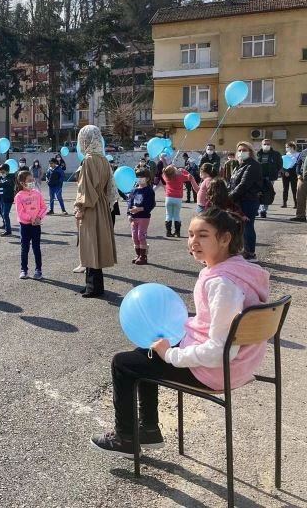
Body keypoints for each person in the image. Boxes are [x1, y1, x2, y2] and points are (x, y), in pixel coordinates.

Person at [90, 208, 270, 457]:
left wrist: (171, 356)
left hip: (216, 371)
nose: (193, 242)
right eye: (190, 234)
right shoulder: (239, 270)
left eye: (203, 235)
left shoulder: (223, 284)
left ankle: (125, 438)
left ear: (225, 238)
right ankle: (148, 429)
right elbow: (220, 326)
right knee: (145, 353)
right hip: (235, 365)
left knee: (123, 364)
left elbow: (220, 351)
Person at [73, 125, 117, 298]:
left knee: (90, 244)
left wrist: (80, 207)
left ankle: (93, 287)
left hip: (91, 208)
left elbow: (86, 188)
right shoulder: (103, 159)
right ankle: (93, 285)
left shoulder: (89, 159)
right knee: (96, 245)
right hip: (101, 205)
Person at [228, 141, 262, 262]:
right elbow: (232, 183)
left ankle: (251, 253)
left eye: (244, 150)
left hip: (248, 200)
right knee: (240, 227)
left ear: (250, 152)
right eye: (240, 150)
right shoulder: (240, 165)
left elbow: (243, 185)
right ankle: (243, 250)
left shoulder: (253, 165)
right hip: (239, 200)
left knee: (247, 226)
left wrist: (228, 198)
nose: (241, 152)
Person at [15, 170, 47, 279]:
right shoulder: (19, 196)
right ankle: (24, 270)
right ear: (22, 183)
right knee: (25, 248)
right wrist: (31, 218)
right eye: (29, 180)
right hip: (25, 226)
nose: (32, 182)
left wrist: (39, 217)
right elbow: (20, 212)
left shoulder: (37, 193)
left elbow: (43, 207)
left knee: (36, 247)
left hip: (36, 225)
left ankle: (39, 270)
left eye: (32, 180)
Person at [126, 168, 155, 265]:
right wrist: (129, 214)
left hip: (144, 216)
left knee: (141, 236)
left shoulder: (149, 191)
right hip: (134, 217)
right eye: (138, 177)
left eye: (142, 177)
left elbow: (151, 204)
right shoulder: (134, 190)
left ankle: (143, 256)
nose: (139, 179)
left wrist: (140, 209)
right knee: (134, 236)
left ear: (147, 178)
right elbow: (129, 203)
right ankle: (138, 254)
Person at [161, 164, 197, 238]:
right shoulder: (180, 176)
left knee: (168, 215)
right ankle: (177, 232)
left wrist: (170, 167)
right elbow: (189, 177)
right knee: (176, 215)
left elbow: (165, 172)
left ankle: (168, 232)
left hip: (169, 197)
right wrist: (183, 170)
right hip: (178, 198)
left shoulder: (166, 176)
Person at [256, 139, 282, 218]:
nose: (266, 145)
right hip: (258, 177)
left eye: (268, 144)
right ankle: (255, 210)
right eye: (265, 144)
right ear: (261, 145)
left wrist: (274, 172)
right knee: (257, 193)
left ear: (271, 145)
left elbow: (279, 164)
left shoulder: (276, 154)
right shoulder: (257, 154)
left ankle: (263, 211)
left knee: (267, 194)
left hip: (270, 177)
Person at [0, 164, 15, 237]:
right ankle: (7, 229)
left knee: (5, 214)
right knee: (3, 214)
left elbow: (7, 183)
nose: (2, 173)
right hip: (2, 198)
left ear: (7, 171)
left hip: (8, 199)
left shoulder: (10, 177)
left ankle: (8, 231)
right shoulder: (1, 177)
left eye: (3, 172)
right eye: (1, 172)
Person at [281, 141, 299, 208]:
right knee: (285, 188)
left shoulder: (298, 155)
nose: (286, 148)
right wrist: (285, 171)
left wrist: (291, 172)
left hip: (293, 173)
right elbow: (282, 165)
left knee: (294, 189)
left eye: (287, 147)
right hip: (285, 174)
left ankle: (296, 203)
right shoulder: (285, 155)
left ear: (292, 147)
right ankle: (284, 203)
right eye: (286, 147)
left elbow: (298, 165)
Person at [291, 148, 307, 222]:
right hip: (302, 178)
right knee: (300, 197)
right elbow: (298, 163)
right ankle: (300, 216)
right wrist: (298, 174)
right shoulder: (304, 152)